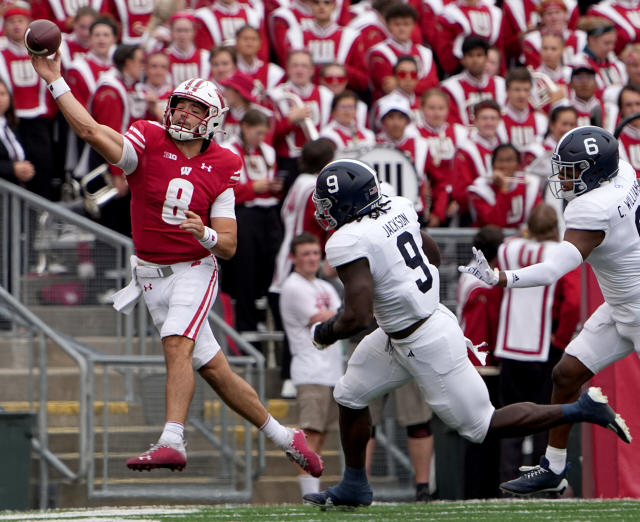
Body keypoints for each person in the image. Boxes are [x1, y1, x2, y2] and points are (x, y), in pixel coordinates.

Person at [28, 49, 324, 478]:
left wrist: (202, 233)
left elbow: (227, 244)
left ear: (214, 119)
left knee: (175, 343)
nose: (183, 114)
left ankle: (172, 440)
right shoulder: (146, 139)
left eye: (195, 109)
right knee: (216, 371)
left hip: (194, 268)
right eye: (179, 105)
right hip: (150, 276)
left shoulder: (225, 162)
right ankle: (285, 436)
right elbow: (93, 131)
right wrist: (56, 80)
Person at [303, 158, 630, 508]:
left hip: (425, 340)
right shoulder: (396, 206)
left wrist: (324, 331)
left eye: (328, 201)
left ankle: (581, 409)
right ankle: (354, 485)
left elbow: (355, 316)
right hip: (400, 331)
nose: (324, 209)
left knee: (483, 426)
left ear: (348, 201)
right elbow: (432, 252)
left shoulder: (347, 240)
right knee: (350, 395)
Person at [459, 125, 635, 496]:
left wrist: (500, 277)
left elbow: (555, 268)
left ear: (595, 172)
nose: (563, 178)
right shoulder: (623, 169)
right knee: (566, 374)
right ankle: (554, 468)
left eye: (572, 170)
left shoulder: (591, 207)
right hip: (621, 305)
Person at [494, 203, 581, 486]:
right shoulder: (558, 255)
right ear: (555, 228)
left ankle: (507, 483)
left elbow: (495, 291)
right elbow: (572, 303)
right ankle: (546, 481)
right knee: (546, 417)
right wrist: (560, 340)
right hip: (545, 349)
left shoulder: (508, 249)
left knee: (511, 419)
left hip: (509, 347)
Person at [280, 232, 343, 498]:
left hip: (331, 371)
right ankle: (309, 495)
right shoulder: (293, 286)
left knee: (322, 436)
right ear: (294, 258)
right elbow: (323, 319)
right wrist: (348, 312)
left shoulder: (325, 286)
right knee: (309, 438)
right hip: (310, 370)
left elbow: (341, 317)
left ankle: (313, 492)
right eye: (306, 254)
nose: (312, 259)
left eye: (316, 253)